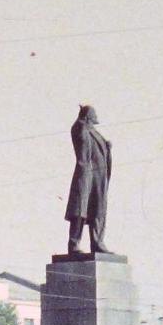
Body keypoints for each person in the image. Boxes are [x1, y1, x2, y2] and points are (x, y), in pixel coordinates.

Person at [65, 104, 113, 255]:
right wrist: (82, 115)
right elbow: (81, 135)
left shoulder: (93, 130)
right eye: (92, 117)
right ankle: (74, 244)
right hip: (86, 175)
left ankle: (97, 243)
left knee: (98, 210)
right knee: (80, 211)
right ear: (87, 117)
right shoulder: (81, 127)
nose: (94, 121)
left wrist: (107, 147)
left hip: (98, 178)